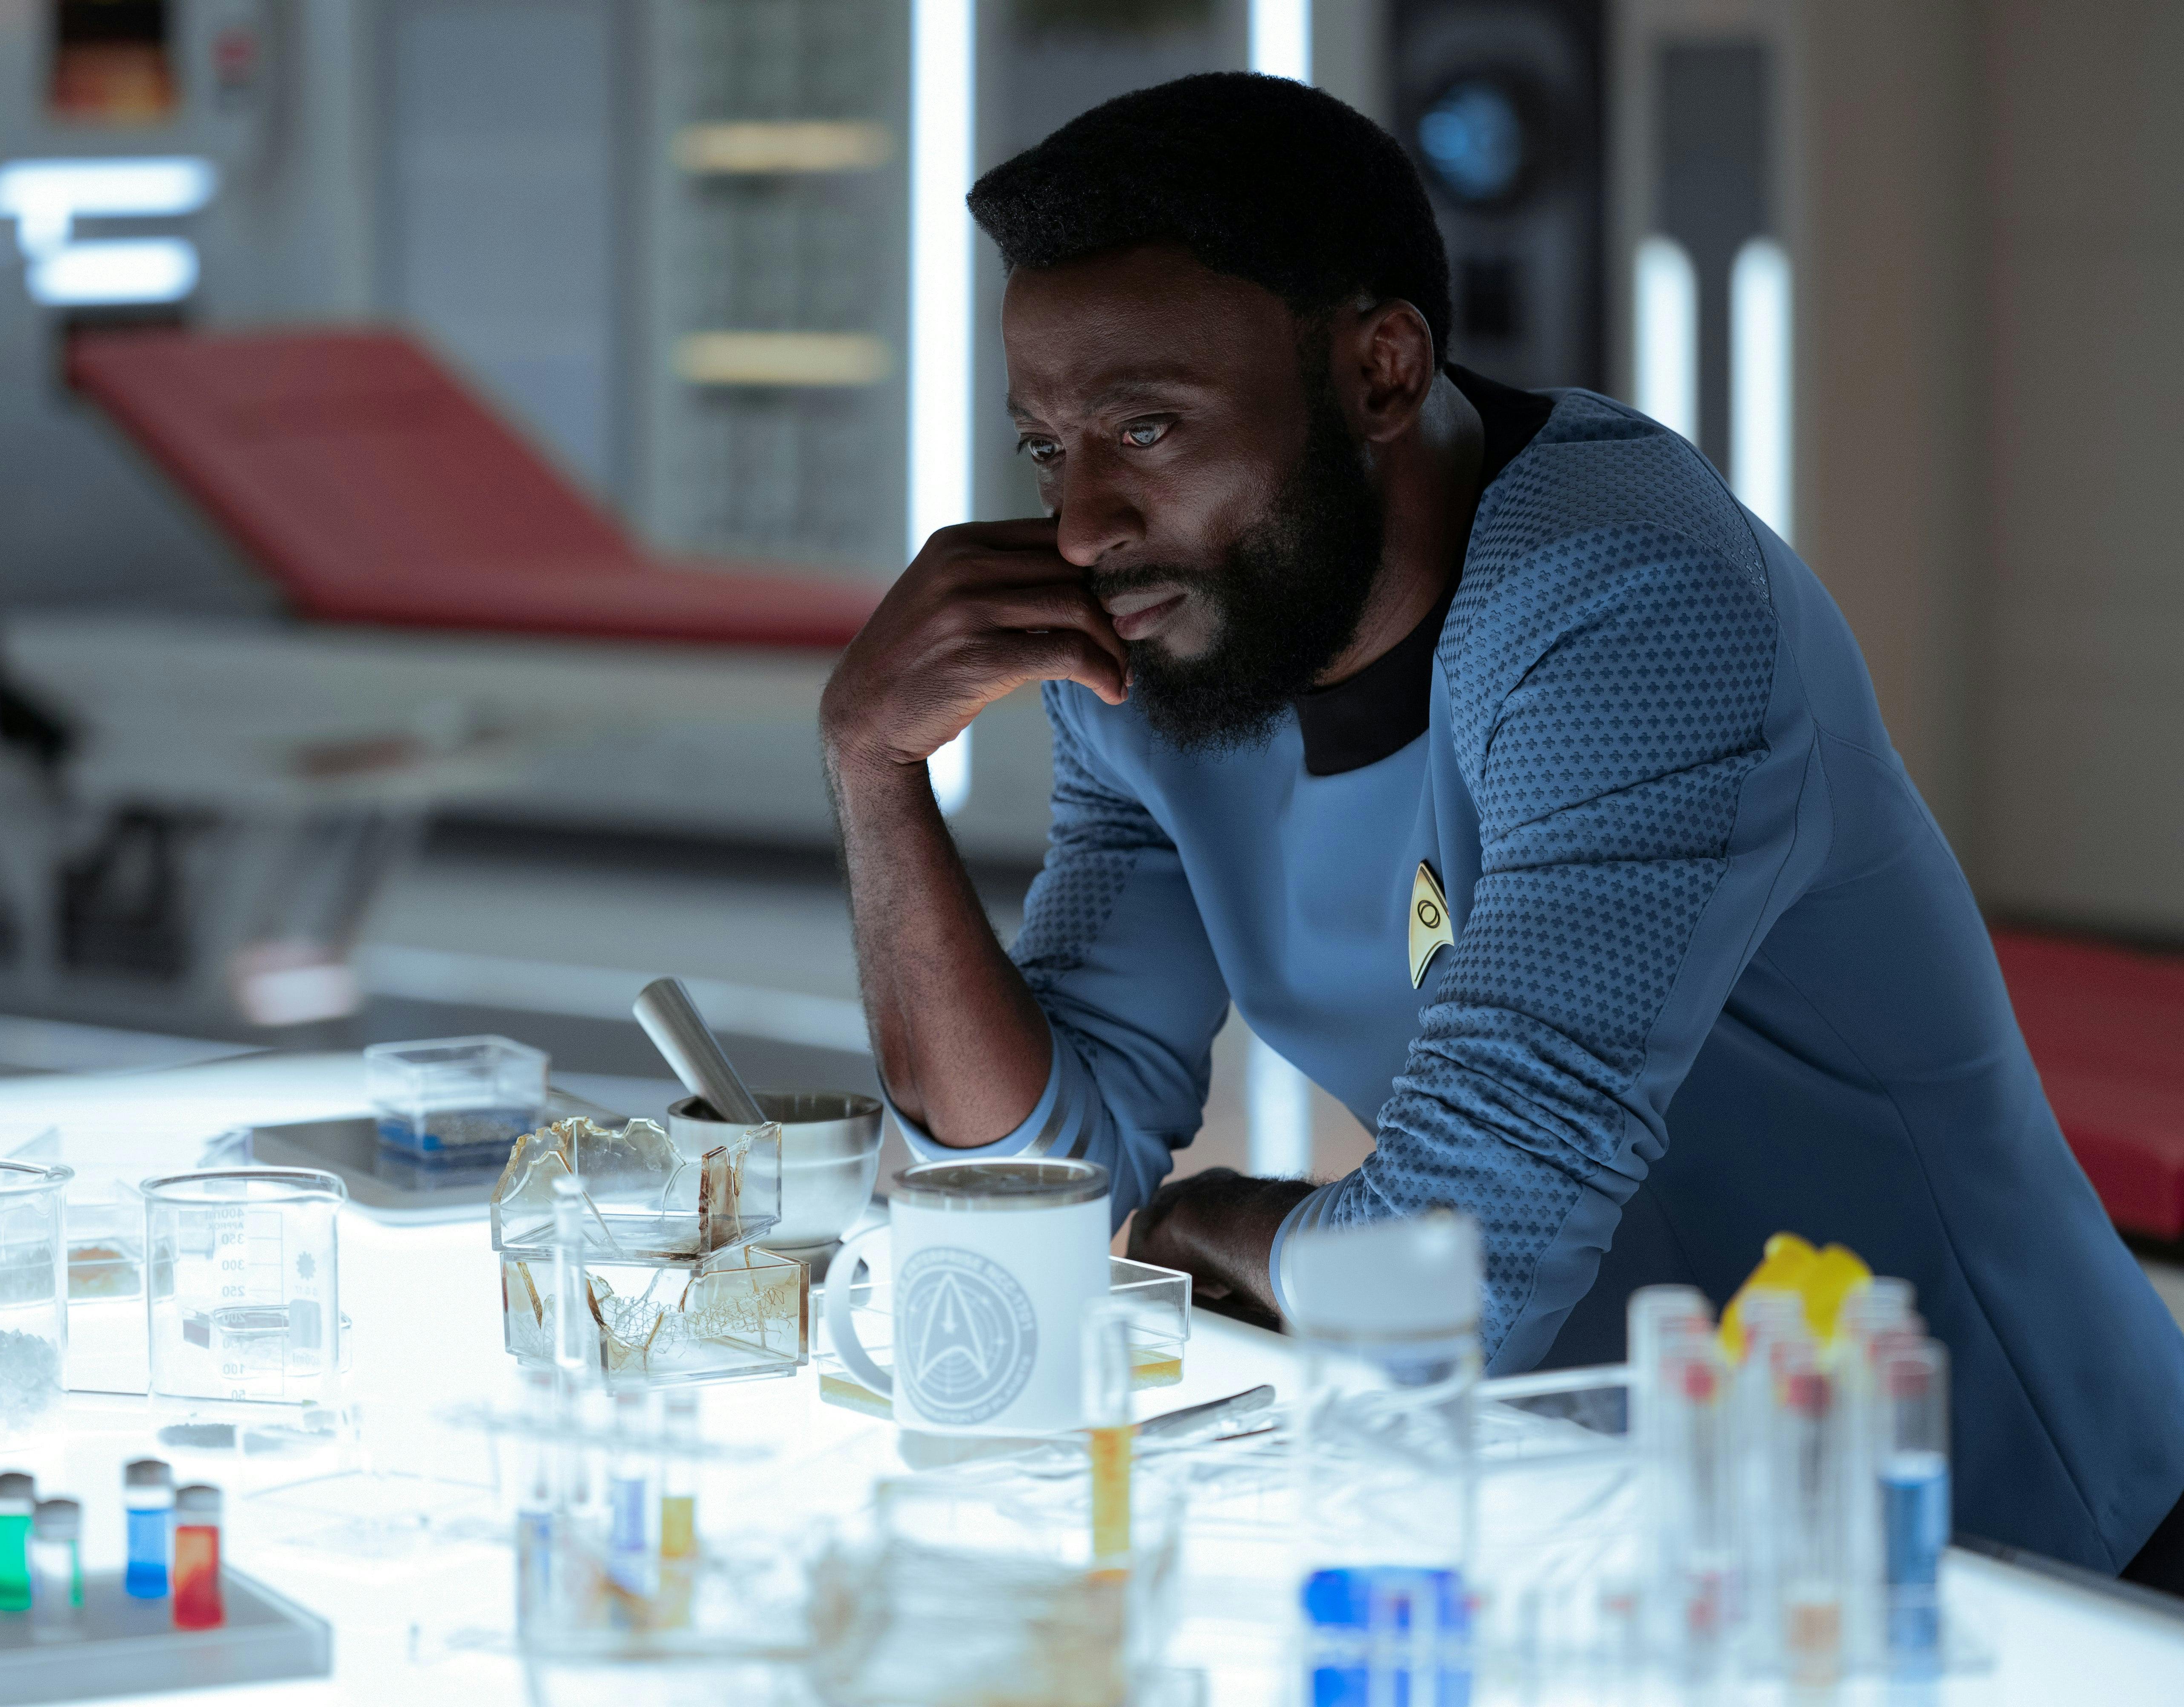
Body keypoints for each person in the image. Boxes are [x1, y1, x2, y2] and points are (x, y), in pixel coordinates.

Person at [819, 71, 2184, 1584]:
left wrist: (1229, 1222)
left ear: (1382, 373)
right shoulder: (1169, 662)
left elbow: (1458, 1275)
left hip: (1985, 1537)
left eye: (1147, 428)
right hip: (1608, 1523)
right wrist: (875, 765)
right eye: (1048, 448)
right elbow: (1038, 1199)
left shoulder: (1629, 611)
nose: (1081, 526)